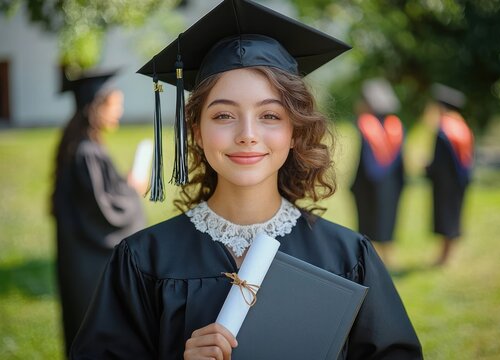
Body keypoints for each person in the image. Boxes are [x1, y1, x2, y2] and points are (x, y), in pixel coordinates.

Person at [70, 0, 423, 359]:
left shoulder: (349, 257)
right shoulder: (144, 262)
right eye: (224, 115)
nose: (247, 134)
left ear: (294, 130)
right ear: (196, 131)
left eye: (269, 115)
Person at [51, 69, 147, 355]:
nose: (119, 111)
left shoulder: (83, 147)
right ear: (97, 106)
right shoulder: (86, 153)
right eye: (115, 104)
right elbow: (106, 212)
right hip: (87, 263)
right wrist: (133, 189)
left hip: (79, 256)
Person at [350, 78, 405, 265]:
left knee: (367, 222)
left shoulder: (366, 125)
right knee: (387, 219)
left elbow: (366, 163)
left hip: (367, 185)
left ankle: (369, 258)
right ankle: (387, 256)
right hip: (391, 184)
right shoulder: (395, 126)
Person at [426, 83, 474, 266]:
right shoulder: (461, 125)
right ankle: (447, 255)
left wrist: (428, 168)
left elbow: (440, 161)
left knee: (446, 218)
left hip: (445, 184)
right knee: (454, 216)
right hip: (458, 182)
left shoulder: (445, 128)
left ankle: (444, 257)